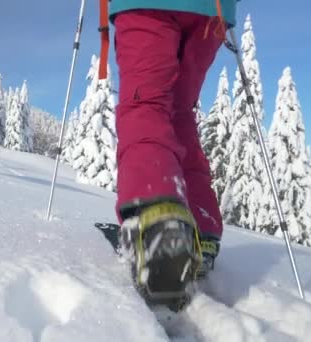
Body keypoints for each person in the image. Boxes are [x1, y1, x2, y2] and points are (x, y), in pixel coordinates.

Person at [108, 0, 238, 302]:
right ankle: (201, 229)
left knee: (147, 103)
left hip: (146, 4)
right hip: (212, 10)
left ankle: (158, 221)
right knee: (179, 111)